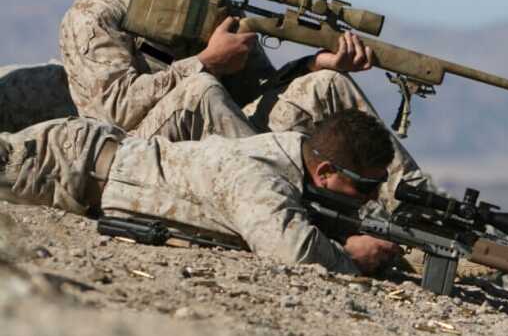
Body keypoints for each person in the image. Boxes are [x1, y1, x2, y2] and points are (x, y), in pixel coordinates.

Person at [58, 0, 431, 208]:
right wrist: (205, 62)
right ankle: (295, 208)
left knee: (327, 84)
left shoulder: (210, 6)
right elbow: (112, 112)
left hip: (225, 143)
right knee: (202, 89)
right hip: (135, 156)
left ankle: (418, 205)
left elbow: (257, 92)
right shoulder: (98, 11)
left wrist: (314, 65)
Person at [0, 110, 402, 274]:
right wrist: (350, 257)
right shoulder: (257, 177)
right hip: (62, 165)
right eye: (365, 186)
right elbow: (292, 251)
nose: (369, 197)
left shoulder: (295, 155)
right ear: (326, 169)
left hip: (89, 165)